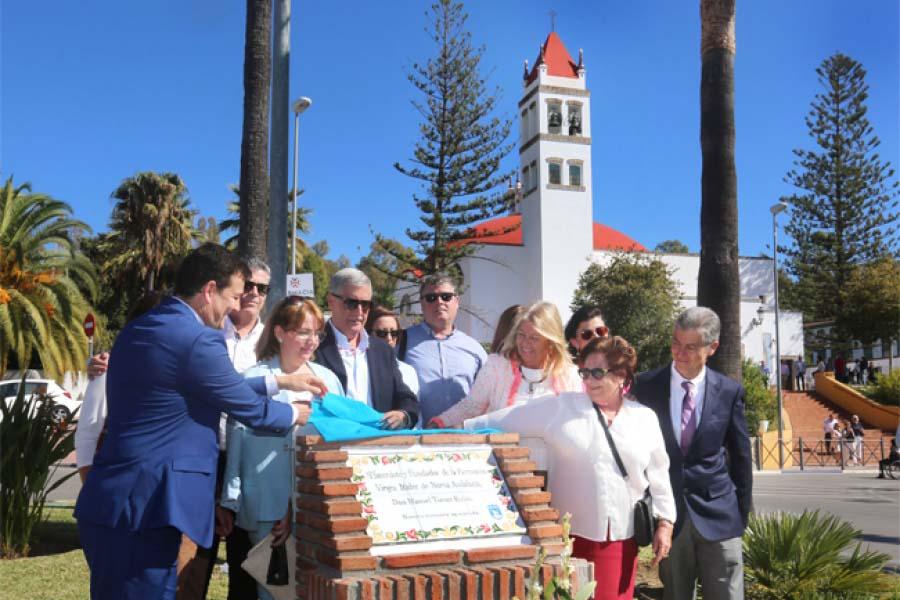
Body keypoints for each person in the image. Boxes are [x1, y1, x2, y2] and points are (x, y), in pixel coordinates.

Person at [74, 243, 327, 600]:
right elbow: (244, 406)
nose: (236, 306)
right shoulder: (198, 339)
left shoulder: (140, 329)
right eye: (234, 296)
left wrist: (278, 381)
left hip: (116, 505)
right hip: (148, 510)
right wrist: (292, 412)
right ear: (210, 290)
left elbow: (198, 383)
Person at [465, 336, 675, 600]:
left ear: (621, 375)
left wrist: (665, 524)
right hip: (565, 538)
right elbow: (495, 421)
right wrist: (449, 432)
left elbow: (659, 475)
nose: (589, 380)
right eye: (584, 372)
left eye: (597, 372)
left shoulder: (644, 417)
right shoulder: (561, 406)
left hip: (620, 540)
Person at [219, 297, 342, 600]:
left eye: (317, 333)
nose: (311, 341)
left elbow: (338, 443)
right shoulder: (254, 379)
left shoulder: (329, 381)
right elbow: (236, 441)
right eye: (303, 332)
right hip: (265, 506)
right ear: (279, 333)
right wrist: (230, 501)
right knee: (274, 591)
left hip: (315, 506)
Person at [632, 307, 752, 600]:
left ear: (712, 348)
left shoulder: (729, 391)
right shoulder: (645, 386)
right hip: (669, 520)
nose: (679, 353)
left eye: (690, 347)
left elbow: (741, 457)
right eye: (675, 342)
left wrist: (740, 513)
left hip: (721, 516)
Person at [427, 301, 582, 472]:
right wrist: (440, 423)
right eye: (521, 335)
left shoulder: (569, 375)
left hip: (555, 475)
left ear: (550, 341)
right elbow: (471, 405)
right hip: (503, 470)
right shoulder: (497, 366)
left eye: (534, 338)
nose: (525, 343)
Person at [75, 292, 163, 483]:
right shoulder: (108, 368)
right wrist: (90, 486)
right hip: (118, 483)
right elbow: (87, 434)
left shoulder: (177, 369)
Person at [316, 268, 419, 428]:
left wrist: (403, 415)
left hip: (374, 447)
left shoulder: (382, 350)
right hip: (329, 445)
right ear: (331, 301)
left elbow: (405, 397)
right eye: (351, 303)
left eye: (366, 305)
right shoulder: (313, 347)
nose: (359, 312)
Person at [401, 273, 487, 425]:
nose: (439, 302)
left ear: (457, 301)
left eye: (446, 296)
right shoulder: (402, 342)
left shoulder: (475, 349)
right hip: (416, 440)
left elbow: (487, 396)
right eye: (431, 298)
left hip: (465, 441)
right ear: (422, 303)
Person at [365, 305, 419, 396]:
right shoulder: (360, 368)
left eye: (394, 333)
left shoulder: (408, 371)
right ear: (367, 334)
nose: (389, 338)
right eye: (382, 333)